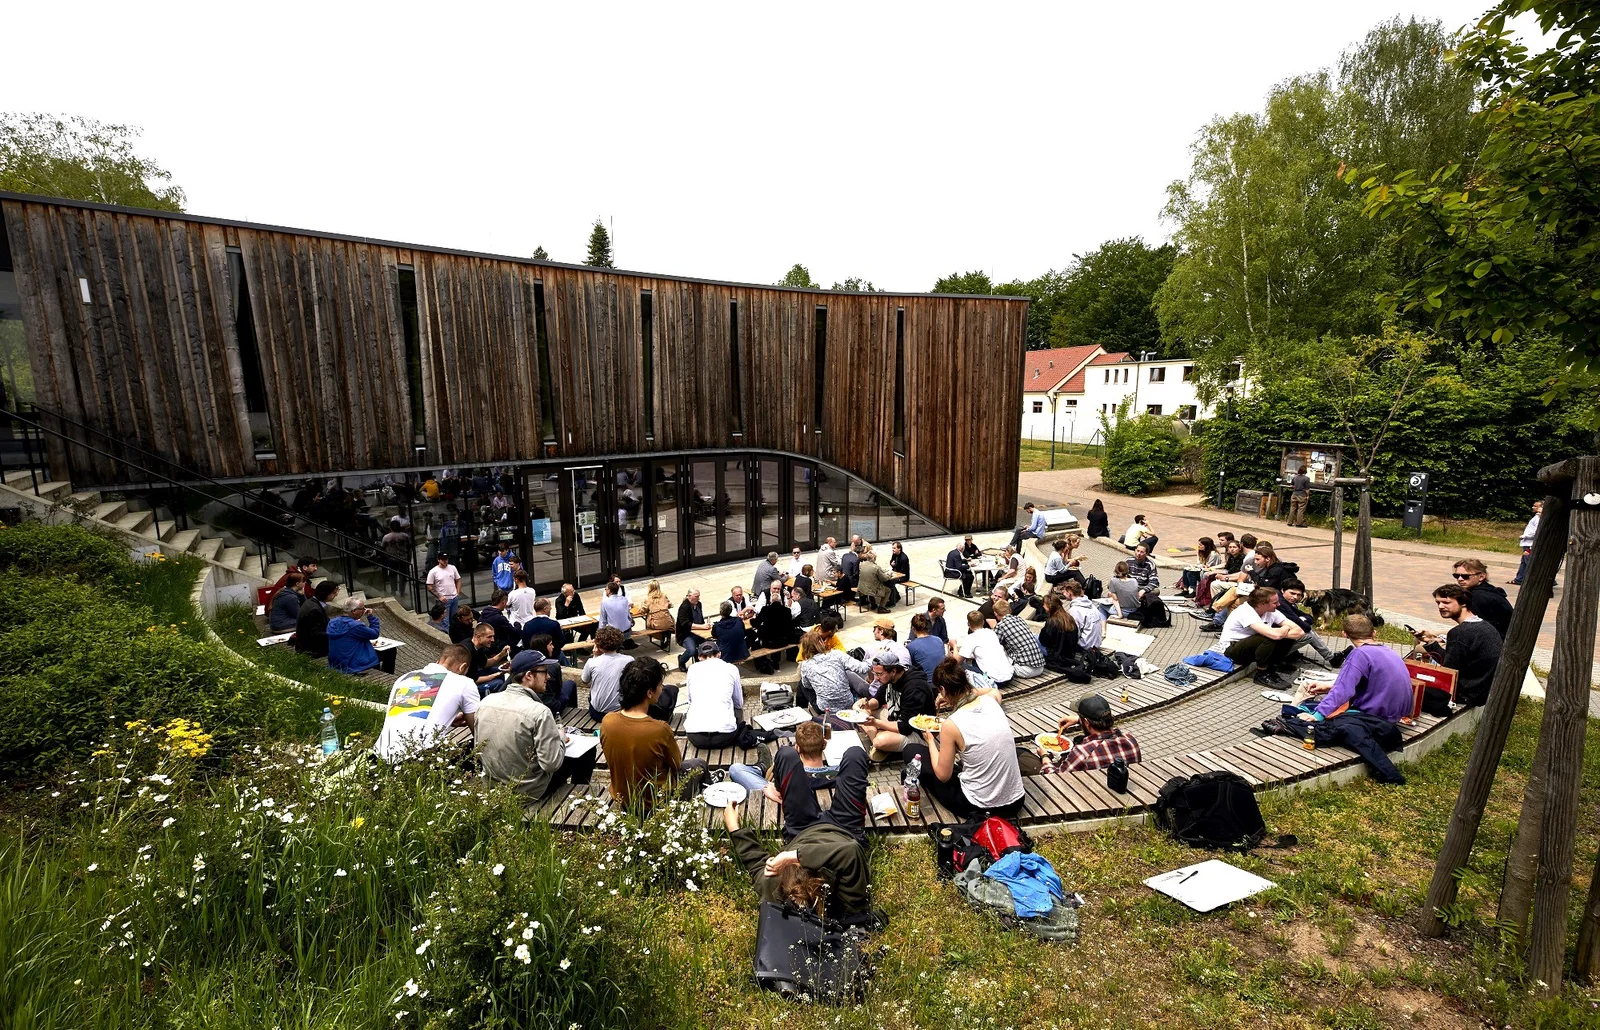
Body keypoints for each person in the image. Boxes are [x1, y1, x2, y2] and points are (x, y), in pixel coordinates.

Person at [722, 740, 874, 923]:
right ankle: (815, 777)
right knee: (855, 754)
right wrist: (792, 857)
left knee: (786, 755)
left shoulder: (773, 887)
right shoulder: (849, 900)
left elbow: (755, 864)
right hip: (845, 829)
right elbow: (849, 850)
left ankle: (775, 785)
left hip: (802, 830)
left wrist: (734, 827)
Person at [901, 659, 1025, 818]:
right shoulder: (991, 702)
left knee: (912, 751)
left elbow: (942, 775)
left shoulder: (952, 724)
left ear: (943, 690)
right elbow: (994, 691)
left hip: (979, 806)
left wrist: (930, 741)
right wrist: (963, 692)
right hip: (1015, 802)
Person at [476, 651, 596, 801]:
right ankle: (577, 799)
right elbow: (551, 764)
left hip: (492, 785)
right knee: (588, 752)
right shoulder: (539, 712)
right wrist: (559, 736)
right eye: (544, 672)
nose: (549, 677)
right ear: (529, 675)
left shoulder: (485, 703)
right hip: (528, 791)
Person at [600, 659, 707, 810]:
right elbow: (676, 765)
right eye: (660, 685)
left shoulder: (607, 721)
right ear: (649, 692)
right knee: (699, 764)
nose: (662, 688)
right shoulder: (660, 729)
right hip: (656, 802)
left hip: (622, 797)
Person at [373, 644, 480, 762]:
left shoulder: (405, 677)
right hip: (416, 761)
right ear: (462, 667)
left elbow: (409, 711)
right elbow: (478, 731)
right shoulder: (464, 683)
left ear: (438, 660)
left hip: (380, 755)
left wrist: (447, 720)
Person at [1417, 583, 1503, 709]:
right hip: (1485, 689)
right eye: (1438, 603)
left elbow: (1448, 668)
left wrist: (1432, 645)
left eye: (1446, 602)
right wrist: (1430, 641)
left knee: (1412, 685)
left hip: (1468, 694)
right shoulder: (1485, 626)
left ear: (1463, 603)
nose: (1441, 606)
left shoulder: (1460, 632)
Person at [683, 640, 774, 748]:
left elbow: (690, 700)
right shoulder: (731, 668)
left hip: (695, 736)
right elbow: (738, 703)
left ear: (699, 657)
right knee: (736, 708)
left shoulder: (692, 669)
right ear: (719, 654)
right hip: (725, 736)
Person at [1214, 586, 1304, 687]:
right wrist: (1285, 628)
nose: (1278, 605)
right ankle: (1261, 674)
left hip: (1253, 647)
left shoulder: (1271, 611)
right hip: (1232, 650)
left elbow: (1299, 632)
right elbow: (1274, 635)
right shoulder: (1245, 612)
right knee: (1269, 637)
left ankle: (1271, 670)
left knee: (1285, 638)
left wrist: (1281, 632)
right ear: (1262, 604)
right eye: (1275, 603)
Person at [857, 651, 936, 758]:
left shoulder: (914, 688)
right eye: (875, 674)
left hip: (918, 732)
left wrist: (876, 723)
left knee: (880, 741)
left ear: (893, 671)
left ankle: (880, 743)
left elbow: (905, 727)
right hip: (895, 719)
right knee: (857, 709)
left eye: (879, 674)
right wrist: (866, 704)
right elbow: (878, 700)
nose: (876, 678)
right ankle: (877, 744)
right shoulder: (890, 679)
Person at [1042, 694, 1140, 773]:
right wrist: (1079, 720)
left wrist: (1045, 757)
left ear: (1087, 723)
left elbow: (1056, 776)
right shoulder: (1130, 741)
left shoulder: (1083, 752)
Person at [798, 627, 873, 714]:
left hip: (825, 708)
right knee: (846, 674)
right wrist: (875, 657)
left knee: (802, 684)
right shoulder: (837, 654)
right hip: (848, 703)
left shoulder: (806, 665)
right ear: (821, 642)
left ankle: (800, 710)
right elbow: (862, 668)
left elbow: (807, 686)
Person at [1277, 579, 1341, 667]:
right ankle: (1278, 658)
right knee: (1307, 634)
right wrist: (1303, 620)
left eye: (1298, 595)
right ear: (1282, 590)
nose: (1295, 597)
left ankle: (1332, 658)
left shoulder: (1286, 602)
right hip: (1275, 637)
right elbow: (1305, 626)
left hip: (1284, 633)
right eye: (1292, 593)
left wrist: (1303, 619)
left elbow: (1308, 617)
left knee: (1307, 629)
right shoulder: (1281, 604)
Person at [584, 628, 641, 722]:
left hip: (597, 713)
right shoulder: (629, 660)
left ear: (598, 645)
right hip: (619, 712)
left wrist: (594, 656)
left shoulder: (592, 662)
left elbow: (585, 680)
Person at [327, 598, 394, 675]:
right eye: (362, 608)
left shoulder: (332, 622)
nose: (364, 610)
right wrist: (371, 617)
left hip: (336, 661)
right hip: (352, 663)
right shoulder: (355, 626)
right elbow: (375, 633)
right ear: (354, 611)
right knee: (390, 650)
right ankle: (386, 675)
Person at [1451, 558, 1514, 638]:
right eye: (1456, 576)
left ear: (1481, 577)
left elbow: (1479, 629)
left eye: (1465, 576)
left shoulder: (1478, 597)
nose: (1460, 579)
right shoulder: (1488, 590)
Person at [520, 632, 578, 713]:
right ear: (544, 647)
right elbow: (558, 690)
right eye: (550, 644)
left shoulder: (525, 664)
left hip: (533, 706)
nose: (553, 647)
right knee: (570, 683)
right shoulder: (554, 665)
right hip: (551, 707)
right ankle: (573, 712)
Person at [959, 609, 1014, 688]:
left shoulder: (971, 638)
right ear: (983, 622)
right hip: (1009, 677)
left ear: (968, 624)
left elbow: (957, 660)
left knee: (961, 665)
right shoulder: (991, 632)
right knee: (975, 661)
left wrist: (954, 646)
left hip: (996, 681)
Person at [993, 608, 1047, 680]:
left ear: (995, 613)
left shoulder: (1000, 625)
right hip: (1040, 667)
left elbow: (993, 645)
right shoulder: (1019, 619)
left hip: (1025, 670)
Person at [294, 581, 339, 657]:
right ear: (326, 593)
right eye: (334, 593)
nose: (336, 595)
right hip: (312, 649)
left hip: (305, 644)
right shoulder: (315, 610)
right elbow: (317, 634)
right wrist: (337, 634)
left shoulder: (311, 602)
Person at [466, 623, 512, 695]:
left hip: (474, 676)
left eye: (493, 636)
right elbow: (473, 680)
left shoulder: (478, 647)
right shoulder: (468, 652)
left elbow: (486, 664)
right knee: (498, 683)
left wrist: (502, 654)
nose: (493, 640)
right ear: (478, 637)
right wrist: (496, 675)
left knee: (499, 670)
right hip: (467, 686)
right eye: (489, 637)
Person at [1037, 594, 1081, 671]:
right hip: (1070, 654)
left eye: (1044, 605)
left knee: (1033, 638)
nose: (1043, 607)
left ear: (1049, 606)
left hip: (1057, 656)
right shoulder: (1069, 618)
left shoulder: (1052, 621)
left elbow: (1044, 641)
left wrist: (1043, 630)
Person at [1063, 578, 1105, 652]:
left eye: (1064, 592)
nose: (1063, 594)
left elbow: (1074, 634)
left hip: (1085, 646)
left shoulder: (1075, 610)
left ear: (1069, 592)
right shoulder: (1091, 605)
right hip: (1096, 643)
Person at [674, 589, 711, 672]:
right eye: (696, 596)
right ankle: (682, 660)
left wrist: (706, 626)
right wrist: (702, 627)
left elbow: (700, 619)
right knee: (692, 650)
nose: (698, 598)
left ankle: (699, 661)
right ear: (689, 596)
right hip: (686, 634)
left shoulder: (699, 604)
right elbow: (685, 624)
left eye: (698, 596)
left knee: (708, 646)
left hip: (698, 632)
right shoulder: (684, 607)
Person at [426, 554, 463, 624]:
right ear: (438, 560)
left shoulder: (452, 568)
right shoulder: (433, 571)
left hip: (454, 598)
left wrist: (458, 592)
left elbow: (458, 580)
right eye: (443, 559)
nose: (445, 561)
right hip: (444, 600)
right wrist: (439, 596)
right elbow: (429, 586)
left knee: (454, 620)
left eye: (446, 559)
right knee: (445, 621)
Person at [1513, 500, 1542, 586]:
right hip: (1527, 543)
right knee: (1524, 562)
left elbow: (1536, 531)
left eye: (1535, 506)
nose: (1533, 507)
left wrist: (1524, 536)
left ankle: (1535, 580)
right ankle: (1519, 579)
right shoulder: (1535, 517)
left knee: (1529, 562)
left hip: (1530, 543)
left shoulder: (1538, 518)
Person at [855, 546, 893, 612]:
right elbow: (884, 578)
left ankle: (873, 604)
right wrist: (889, 575)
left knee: (870, 584)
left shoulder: (861, 564)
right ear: (874, 558)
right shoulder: (876, 568)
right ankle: (881, 607)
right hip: (871, 590)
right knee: (888, 590)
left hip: (861, 588)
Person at [598, 581, 635, 648]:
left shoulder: (605, 602)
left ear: (609, 591)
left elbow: (602, 621)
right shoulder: (624, 599)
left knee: (606, 633)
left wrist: (599, 636)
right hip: (627, 632)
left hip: (615, 634)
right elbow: (629, 617)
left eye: (606, 589)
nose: (605, 591)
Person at [643, 580, 674, 650]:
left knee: (652, 624)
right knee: (665, 621)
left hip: (656, 623)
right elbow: (670, 605)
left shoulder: (648, 598)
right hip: (668, 622)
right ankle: (666, 636)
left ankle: (661, 638)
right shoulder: (664, 596)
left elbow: (643, 610)